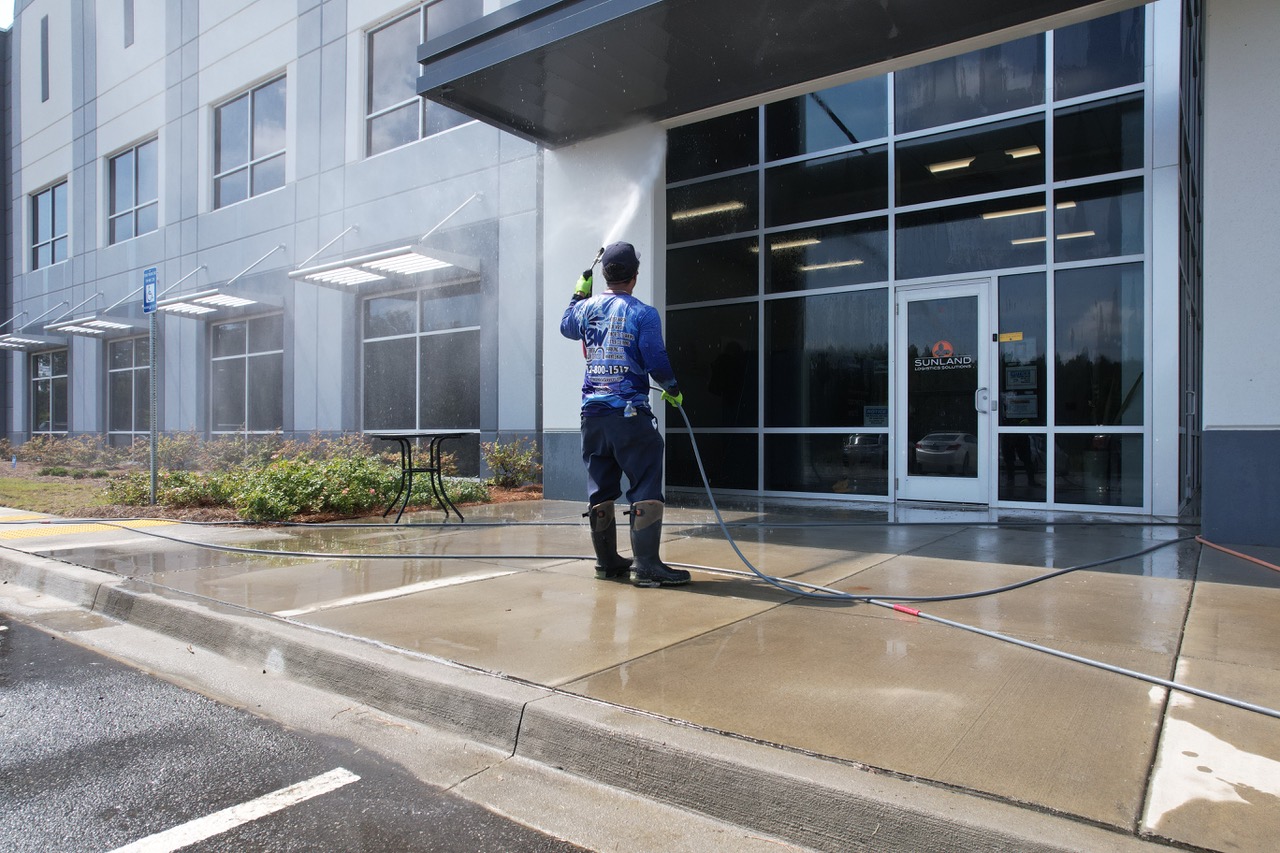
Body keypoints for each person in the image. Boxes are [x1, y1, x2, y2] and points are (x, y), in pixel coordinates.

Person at [559, 241, 690, 588]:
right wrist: (673, 389)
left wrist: (577, 294)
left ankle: (607, 563)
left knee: (601, 487)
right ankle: (646, 565)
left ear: (604, 274)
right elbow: (655, 359)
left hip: (593, 418)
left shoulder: (585, 309)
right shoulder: (642, 313)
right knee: (645, 481)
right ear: (634, 276)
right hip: (630, 415)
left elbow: (565, 327)